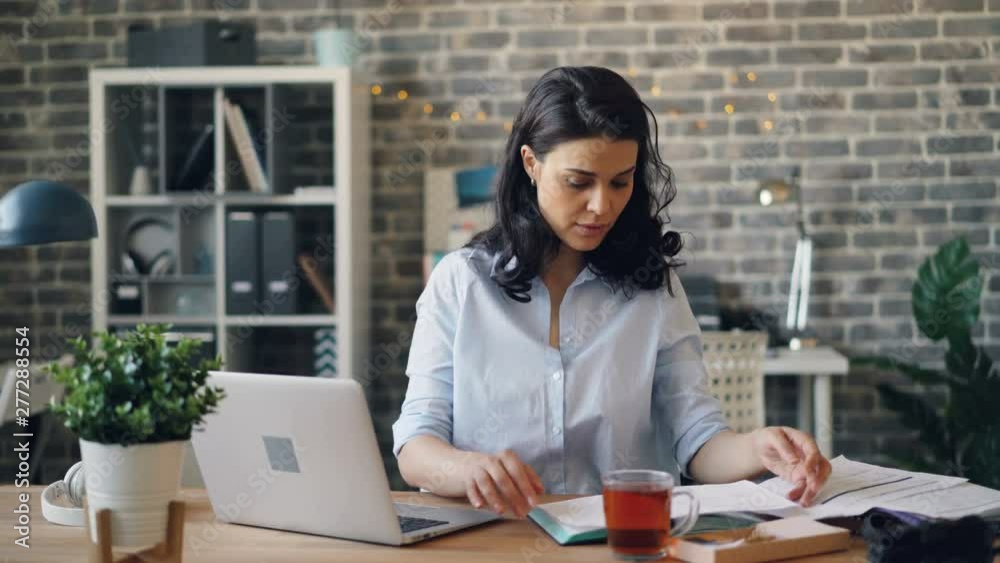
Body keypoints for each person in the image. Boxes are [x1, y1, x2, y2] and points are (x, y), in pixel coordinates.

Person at [392, 66, 832, 519]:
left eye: (620, 182)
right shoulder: (462, 283)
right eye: (578, 182)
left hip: (623, 538)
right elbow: (415, 446)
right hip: (494, 539)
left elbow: (698, 440)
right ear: (531, 164)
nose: (602, 205)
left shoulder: (652, 288)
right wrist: (465, 468)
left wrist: (757, 447)